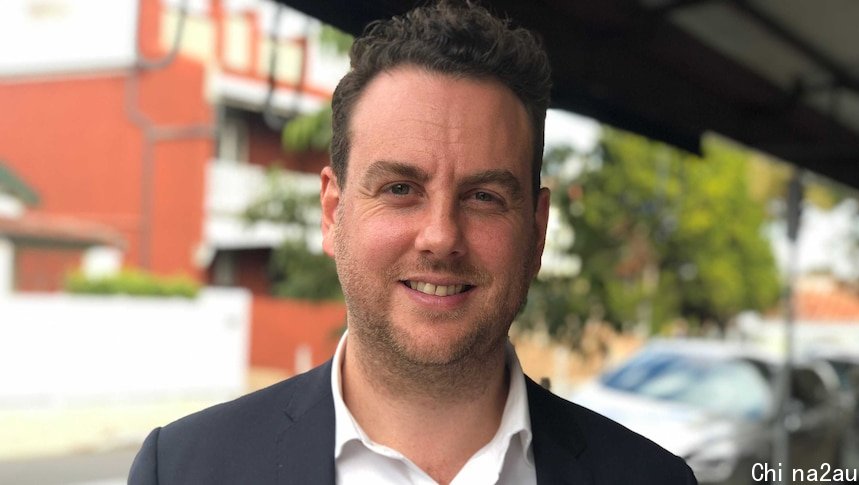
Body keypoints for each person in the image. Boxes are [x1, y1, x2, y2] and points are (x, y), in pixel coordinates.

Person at [129, 2, 697, 484]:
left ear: (538, 230)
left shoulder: (652, 478)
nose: (441, 237)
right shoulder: (182, 470)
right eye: (400, 188)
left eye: (484, 197)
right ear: (333, 213)